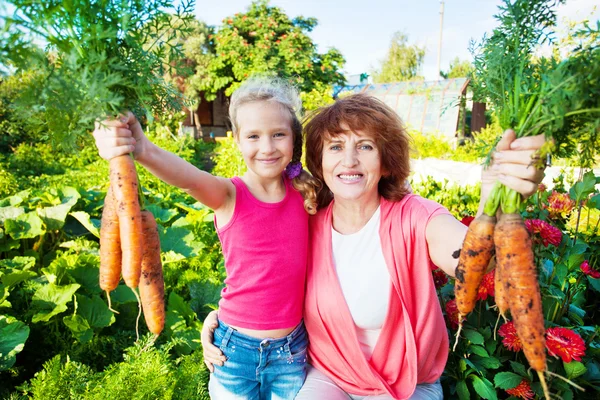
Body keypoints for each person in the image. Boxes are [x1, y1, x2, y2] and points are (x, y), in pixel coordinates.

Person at [202, 93, 546, 399]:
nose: (349, 160)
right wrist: (225, 322)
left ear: (385, 160)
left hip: (406, 383)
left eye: (364, 146)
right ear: (320, 161)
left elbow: (471, 260)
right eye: (336, 147)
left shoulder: (414, 216)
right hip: (331, 376)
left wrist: (491, 206)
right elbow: (259, 264)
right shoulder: (310, 217)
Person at [93, 77, 320, 399]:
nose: (267, 147)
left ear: (294, 139)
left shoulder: (306, 194)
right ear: (238, 141)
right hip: (234, 351)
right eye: (254, 136)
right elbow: (188, 178)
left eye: (278, 135)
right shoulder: (229, 194)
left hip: (292, 350)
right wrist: (141, 148)